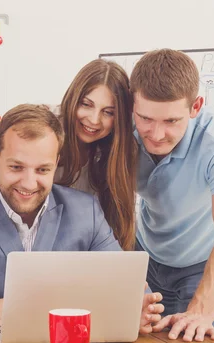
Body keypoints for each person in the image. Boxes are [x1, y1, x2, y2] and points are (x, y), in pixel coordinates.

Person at [0, 104, 163, 332]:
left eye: (42, 170)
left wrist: (137, 309)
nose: (28, 183)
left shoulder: (86, 212)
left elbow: (127, 285)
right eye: (16, 167)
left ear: (55, 164)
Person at [130, 49, 214, 342]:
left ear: (195, 106)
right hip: (141, 256)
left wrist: (200, 310)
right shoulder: (121, 127)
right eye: (146, 118)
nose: (156, 134)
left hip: (200, 265)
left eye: (171, 121)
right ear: (131, 105)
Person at [54, 59, 138, 251]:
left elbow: (117, 228)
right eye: (86, 104)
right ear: (73, 99)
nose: (94, 120)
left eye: (108, 112)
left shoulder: (116, 152)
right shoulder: (47, 135)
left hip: (86, 258)